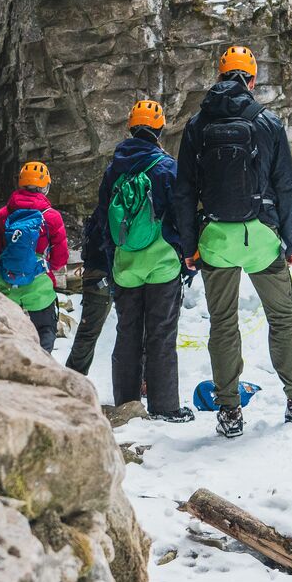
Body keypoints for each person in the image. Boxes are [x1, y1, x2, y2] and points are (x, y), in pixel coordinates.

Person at [173, 46, 292, 438]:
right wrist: (289, 243)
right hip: (261, 237)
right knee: (282, 319)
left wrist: (189, 247)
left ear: (220, 77)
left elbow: (184, 191)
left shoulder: (196, 126)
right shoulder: (267, 122)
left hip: (215, 238)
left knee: (222, 324)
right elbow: (286, 187)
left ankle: (230, 412)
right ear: (251, 81)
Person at [85, 99, 193, 423]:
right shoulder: (166, 168)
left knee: (127, 332)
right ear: (160, 129)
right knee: (160, 333)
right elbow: (180, 216)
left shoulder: (113, 169)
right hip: (162, 266)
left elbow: (104, 222)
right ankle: (165, 408)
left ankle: (126, 405)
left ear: (130, 127)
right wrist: (186, 258)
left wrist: (110, 262)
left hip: (125, 267)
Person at [0, 160, 69, 349]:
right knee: (45, 333)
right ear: (46, 187)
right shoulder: (51, 216)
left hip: (8, 288)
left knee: (8, 341)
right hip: (39, 288)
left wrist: (0, 277)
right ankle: (40, 372)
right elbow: (60, 259)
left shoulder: (3, 214)